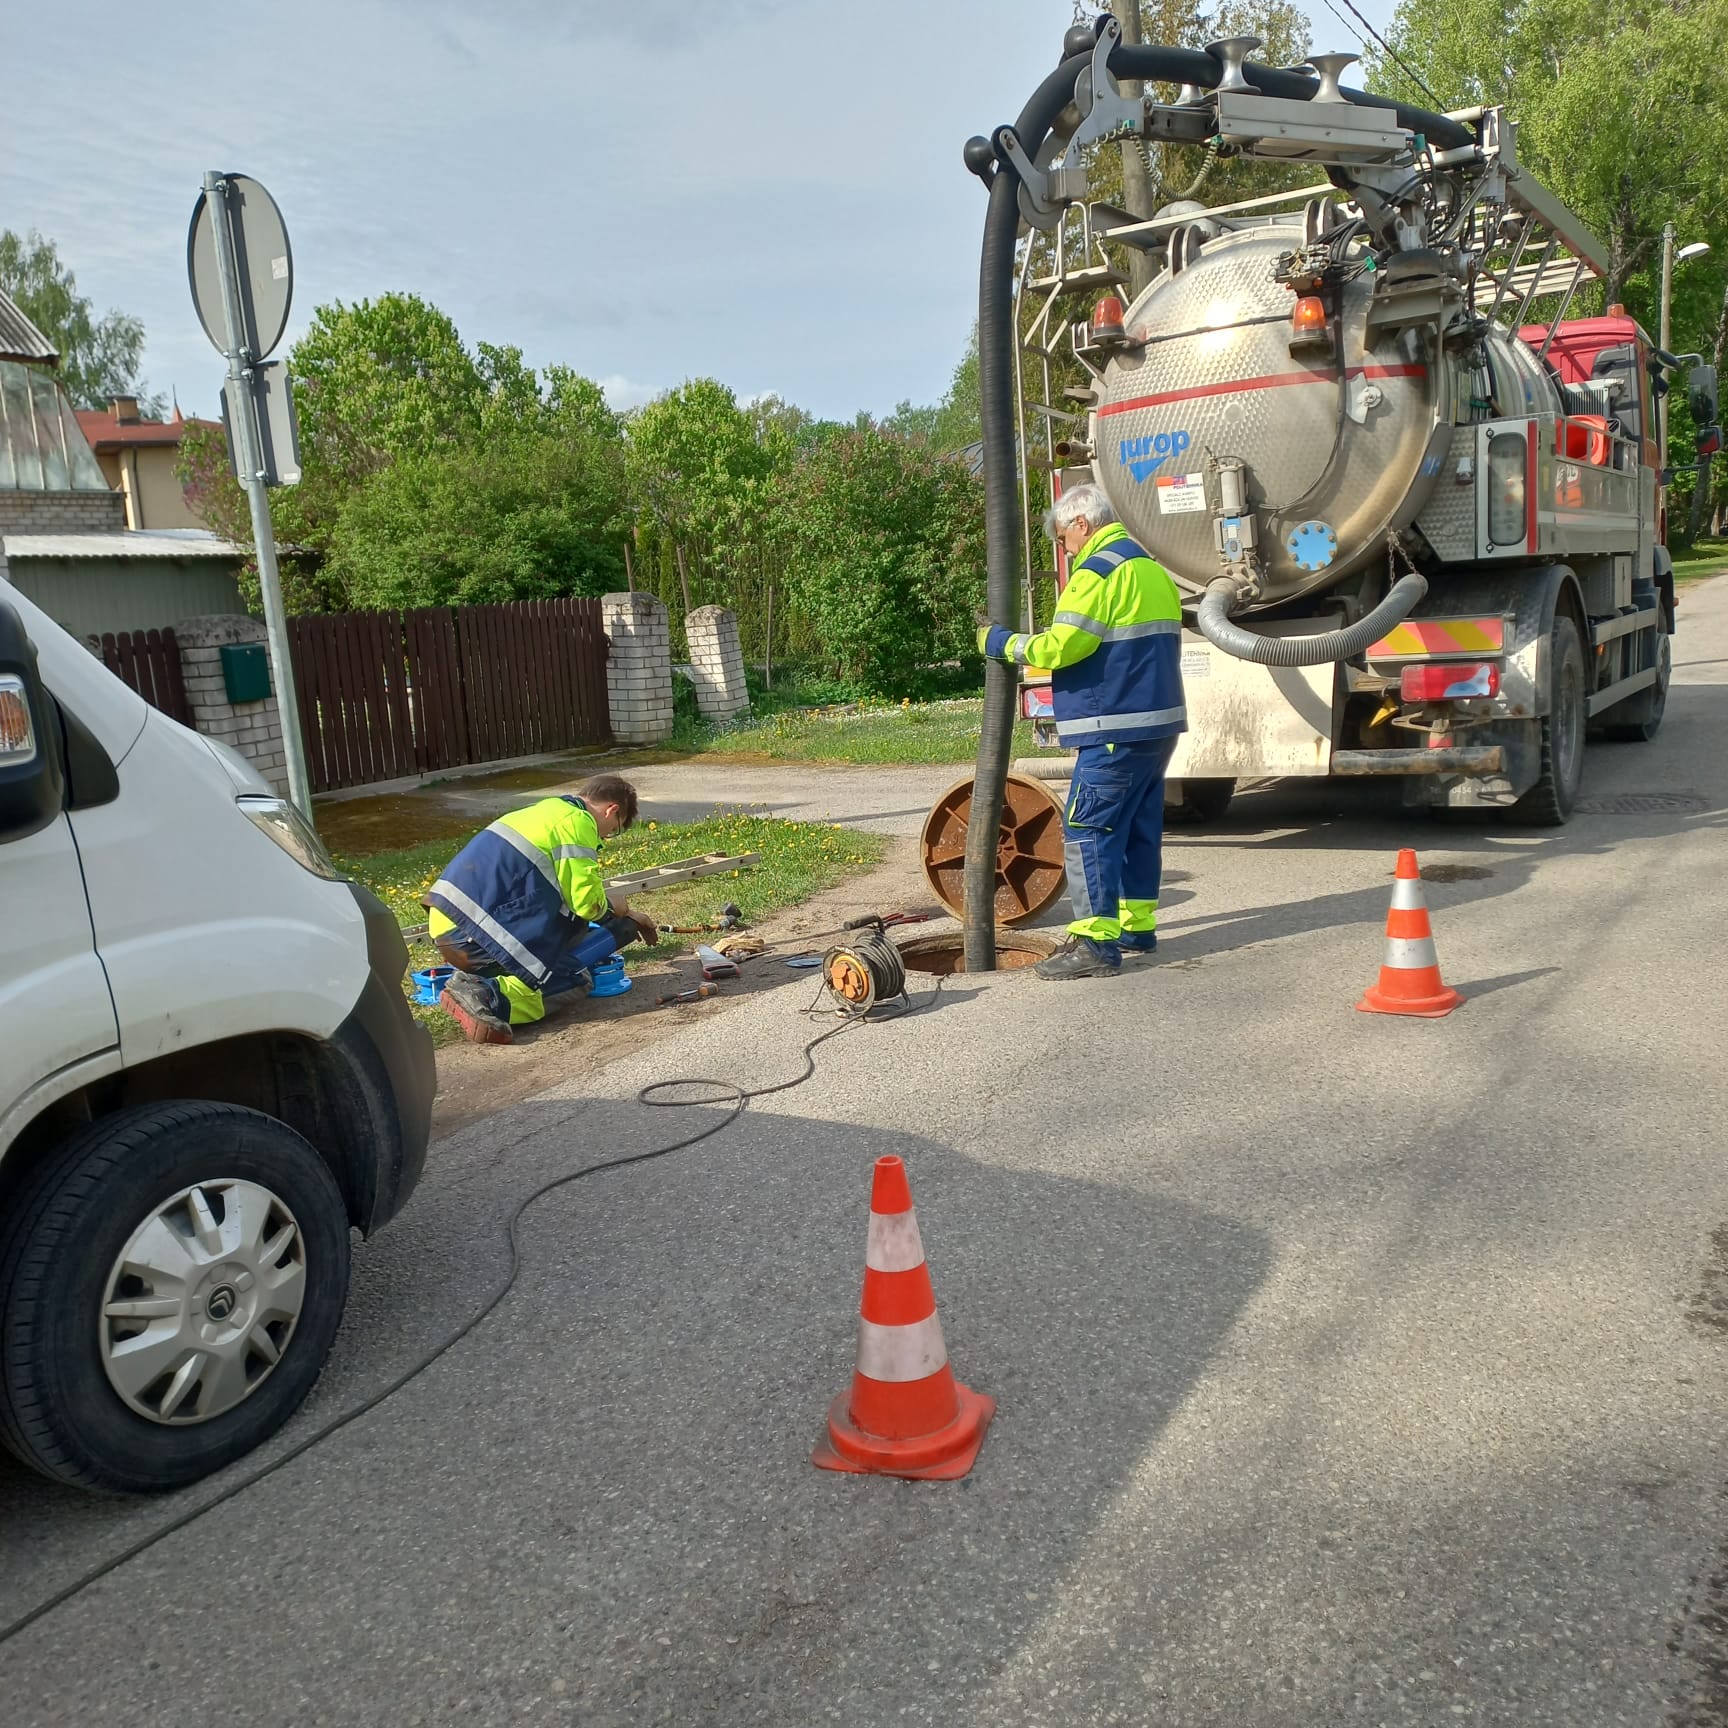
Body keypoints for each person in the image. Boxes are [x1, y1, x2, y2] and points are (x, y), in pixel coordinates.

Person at [977, 483, 1186, 980]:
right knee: (1137, 828)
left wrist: (1001, 643)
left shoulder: (1098, 570)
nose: (1064, 548)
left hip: (1112, 725)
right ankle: (1136, 928)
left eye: (1062, 537)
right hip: (1156, 725)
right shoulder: (1151, 569)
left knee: (1088, 829)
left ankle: (1094, 945)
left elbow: (1063, 646)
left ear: (1082, 524)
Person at [425, 774, 656, 1044]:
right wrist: (614, 906)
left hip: (450, 923)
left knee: (568, 929)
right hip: (477, 935)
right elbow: (587, 905)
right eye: (614, 829)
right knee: (575, 980)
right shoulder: (578, 823)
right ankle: (488, 993)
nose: (605, 838)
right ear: (612, 810)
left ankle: (480, 978)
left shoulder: (547, 811)